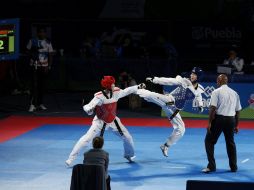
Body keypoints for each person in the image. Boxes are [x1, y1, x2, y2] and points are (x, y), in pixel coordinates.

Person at [66, 76, 146, 166]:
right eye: (112, 84)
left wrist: (138, 87)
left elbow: (127, 91)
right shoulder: (99, 97)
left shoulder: (116, 92)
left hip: (114, 121)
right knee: (86, 139)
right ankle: (71, 158)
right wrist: (89, 109)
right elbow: (88, 106)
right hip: (100, 122)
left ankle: (129, 155)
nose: (114, 85)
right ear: (108, 86)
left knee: (128, 138)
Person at [137, 67, 204, 157]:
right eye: (192, 73)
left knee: (181, 129)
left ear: (198, 77)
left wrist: (200, 105)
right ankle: (136, 90)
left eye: (194, 74)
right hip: (169, 100)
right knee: (151, 95)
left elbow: (198, 95)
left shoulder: (199, 88)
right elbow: (169, 81)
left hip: (174, 110)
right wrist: (155, 80)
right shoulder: (184, 81)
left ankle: (165, 146)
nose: (192, 75)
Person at [202, 74, 241, 173]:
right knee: (230, 143)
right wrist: (236, 125)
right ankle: (234, 167)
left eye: (217, 80)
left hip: (219, 119)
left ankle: (211, 166)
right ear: (226, 81)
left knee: (209, 141)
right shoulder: (235, 93)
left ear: (219, 81)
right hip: (231, 120)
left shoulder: (216, 92)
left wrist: (210, 123)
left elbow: (212, 108)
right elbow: (238, 111)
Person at [26, 27, 54, 112]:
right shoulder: (32, 41)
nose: (42, 34)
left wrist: (49, 66)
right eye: (40, 32)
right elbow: (27, 51)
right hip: (34, 66)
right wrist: (32, 53)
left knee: (42, 86)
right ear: (37, 33)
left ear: (45, 33)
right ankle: (32, 104)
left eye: (43, 32)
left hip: (44, 67)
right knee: (34, 86)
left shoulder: (48, 42)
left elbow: (51, 55)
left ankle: (40, 103)